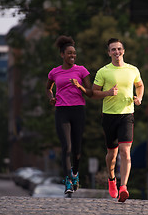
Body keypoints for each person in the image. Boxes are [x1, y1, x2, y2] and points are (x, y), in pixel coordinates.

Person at [92, 38, 144, 202]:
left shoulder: (133, 70)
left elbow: (140, 85)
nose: (116, 52)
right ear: (109, 53)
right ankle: (111, 179)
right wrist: (107, 93)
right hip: (109, 115)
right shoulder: (103, 71)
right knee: (112, 155)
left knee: (125, 152)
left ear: (123, 51)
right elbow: (94, 92)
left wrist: (139, 97)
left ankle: (123, 187)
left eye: (119, 49)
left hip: (127, 114)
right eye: (113, 49)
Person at [46, 35, 93, 194]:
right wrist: (51, 97)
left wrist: (79, 86)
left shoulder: (81, 70)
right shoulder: (54, 72)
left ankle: (75, 173)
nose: (72, 56)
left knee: (77, 151)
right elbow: (48, 88)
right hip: (62, 111)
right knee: (67, 147)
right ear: (62, 55)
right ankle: (67, 181)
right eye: (69, 53)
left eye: (74, 53)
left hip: (78, 110)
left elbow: (91, 92)